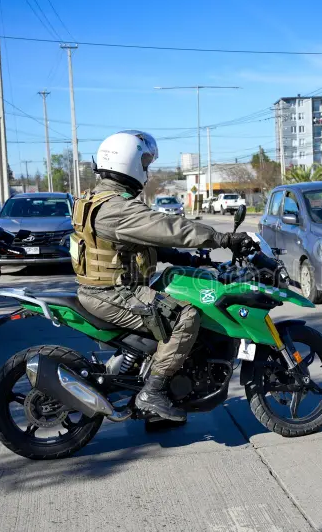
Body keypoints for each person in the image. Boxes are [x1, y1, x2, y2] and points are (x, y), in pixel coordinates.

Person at [72, 130, 257, 422]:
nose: (146, 170)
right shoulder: (117, 208)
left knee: (171, 289)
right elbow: (169, 228)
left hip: (105, 288)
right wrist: (223, 239)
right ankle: (153, 392)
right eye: (144, 162)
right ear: (127, 162)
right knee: (185, 317)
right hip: (113, 293)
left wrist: (184, 258)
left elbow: (139, 242)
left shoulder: (98, 199)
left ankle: (161, 401)